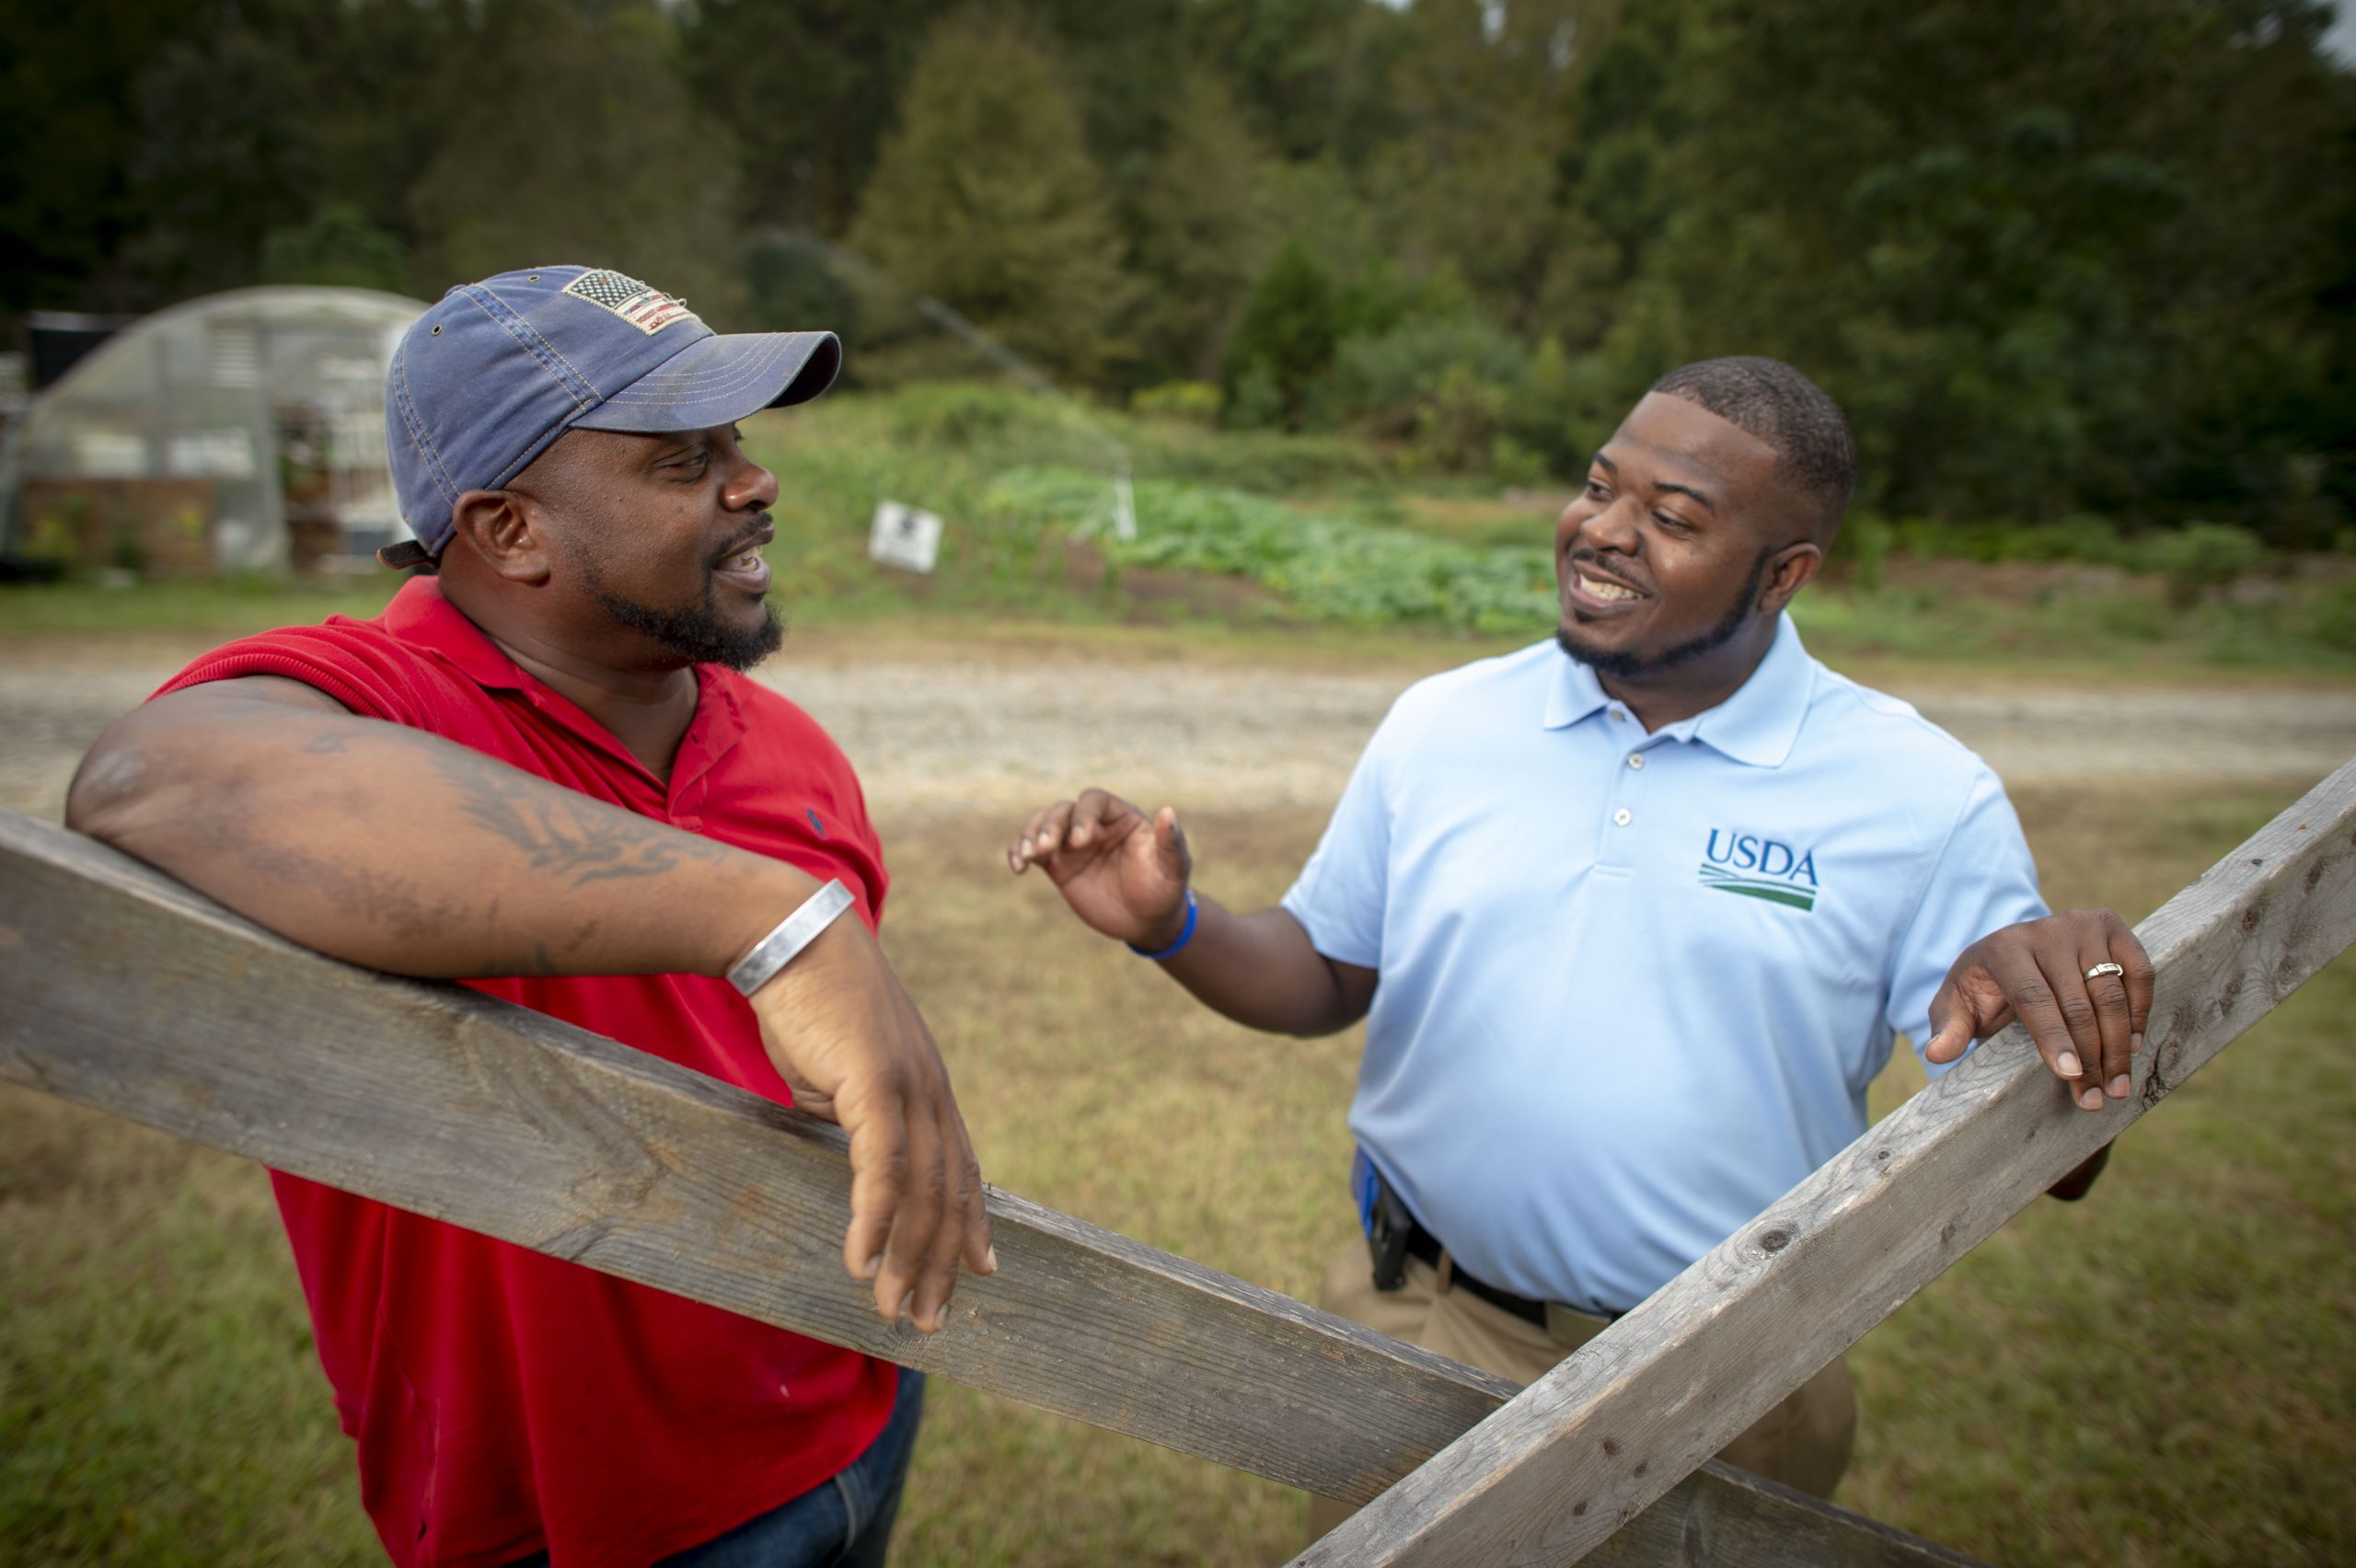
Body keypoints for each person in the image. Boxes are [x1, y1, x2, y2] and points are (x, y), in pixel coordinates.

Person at [1004, 357, 2149, 1521]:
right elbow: (1327, 970)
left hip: (1720, 1385)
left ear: (1783, 575)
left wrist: (2077, 1017)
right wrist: (1172, 926)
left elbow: (2051, 1152)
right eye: (1600, 487)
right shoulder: (1448, 719)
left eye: (1672, 518)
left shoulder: (1918, 795)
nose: (1601, 532)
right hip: (1413, 1315)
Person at [65, 267, 993, 1568]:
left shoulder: (790, 748)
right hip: (579, 1522)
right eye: (682, 462)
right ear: (508, 531)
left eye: (738, 443)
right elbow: (149, 778)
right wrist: (776, 919)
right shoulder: (381, 703)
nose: (754, 481)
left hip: (850, 1410)